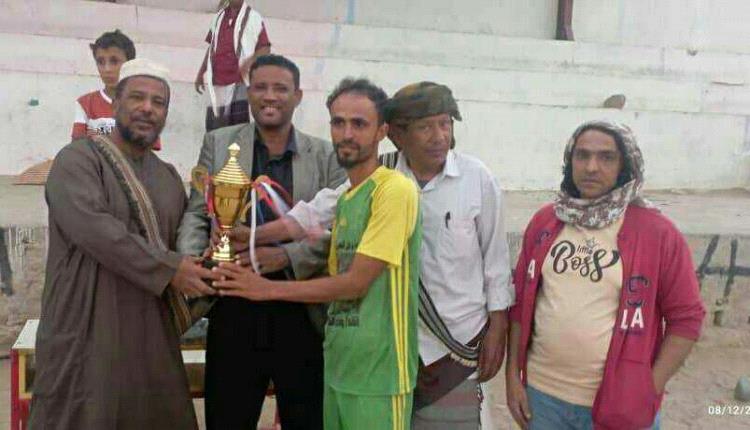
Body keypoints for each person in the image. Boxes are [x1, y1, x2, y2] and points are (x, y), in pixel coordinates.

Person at [212, 77, 421, 430]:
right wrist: (245, 236)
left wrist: (266, 289)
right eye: (338, 122)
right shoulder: (347, 195)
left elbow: (356, 283)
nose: (346, 134)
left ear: (382, 131)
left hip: (379, 375)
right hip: (339, 365)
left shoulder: (394, 190)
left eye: (359, 124)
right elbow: (301, 219)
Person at [30, 59, 216, 429]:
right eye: (137, 98)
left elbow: (181, 245)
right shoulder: (77, 160)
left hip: (150, 335)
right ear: (115, 102)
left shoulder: (168, 178)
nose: (147, 108)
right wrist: (170, 269)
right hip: (86, 326)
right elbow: (95, 229)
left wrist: (209, 257)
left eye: (158, 102)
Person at [178, 54, 346, 430]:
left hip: (301, 308)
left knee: (306, 419)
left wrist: (285, 256)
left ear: (297, 96)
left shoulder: (326, 155)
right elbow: (197, 213)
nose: (270, 96)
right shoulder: (219, 143)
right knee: (228, 418)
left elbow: (338, 232)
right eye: (261, 87)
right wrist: (195, 260)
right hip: (232, 304)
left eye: (280, 88)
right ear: (248, 92)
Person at [505, 120, 706, 430]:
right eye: (582, 155)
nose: (591, 167)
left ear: (626, 165)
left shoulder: (657, 233)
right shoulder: (546, 222)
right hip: (542, 399)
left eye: (606, 157)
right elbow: (520, 306)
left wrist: (648, 389)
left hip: (619, 406)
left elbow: (686, 319)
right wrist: (513, 377)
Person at [195, 0, 271, 130]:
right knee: (215, 130)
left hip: (239, 82)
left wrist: (248, 63)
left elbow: (265, 48)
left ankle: (236, 145)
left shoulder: (253, 17)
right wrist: (201, 72)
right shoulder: (218, 17)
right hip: (217, 83)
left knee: (237, 130)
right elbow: (212, 47)